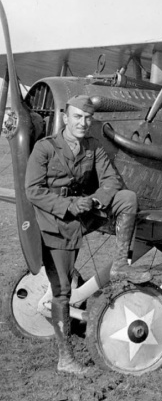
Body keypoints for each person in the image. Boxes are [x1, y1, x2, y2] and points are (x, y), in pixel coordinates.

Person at [25, 95, 151, 375]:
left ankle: (119, 265)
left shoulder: (93, 147)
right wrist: (69, 205)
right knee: (62, 293)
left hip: (85, 211)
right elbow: (33, 191)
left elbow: (111, 181)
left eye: (88, 118)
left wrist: (94, 201)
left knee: (127, 198)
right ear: (66, 118)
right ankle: (65, 358)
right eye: (78, 117)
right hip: (55, 221)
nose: (83, 123)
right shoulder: (45, 148)